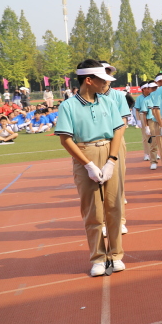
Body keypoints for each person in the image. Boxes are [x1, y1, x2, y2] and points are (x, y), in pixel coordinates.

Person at [55, 59, 126, 276]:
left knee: (114, 208)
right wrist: (88, 165)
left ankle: (115, 255)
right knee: (93, 211)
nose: (106, 83)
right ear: (88, 80)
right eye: (102, 79)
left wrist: (112, 160)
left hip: (109, 151)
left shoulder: (108, 102)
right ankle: (98, 258)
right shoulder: (68, 106)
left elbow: (118, 131)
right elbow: (66, 139)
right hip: (84, 154)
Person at [99, 61, 131, 235]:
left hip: (116, 141)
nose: (106, 77)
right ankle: (103, 221)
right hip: (97, 143)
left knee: (117, 182)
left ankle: (120, 221)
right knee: (99, 183)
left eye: (108, 73)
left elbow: (124, 121)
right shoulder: (90, 96)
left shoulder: (118, 96)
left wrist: (115, 140)